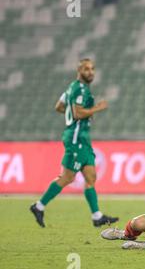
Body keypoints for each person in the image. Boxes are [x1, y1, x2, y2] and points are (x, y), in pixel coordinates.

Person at [29, 59, 119, 227]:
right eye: (86, 69)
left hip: (83, 138)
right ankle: (38, 206)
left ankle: (97, 216)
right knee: (68, 177)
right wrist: (96, 108)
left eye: (92, 69)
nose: (90, 72)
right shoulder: (79, 89)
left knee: (91, 176)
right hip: (76, 137)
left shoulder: (72, 87)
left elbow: (59, 106)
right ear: (79, 71)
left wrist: (77, 112)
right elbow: (77, 114)